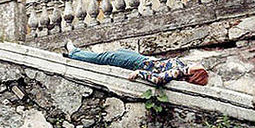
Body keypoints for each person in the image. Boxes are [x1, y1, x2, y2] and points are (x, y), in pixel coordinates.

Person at [63, 40, 208, 86]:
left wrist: (139, 73)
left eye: (198, 66)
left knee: (105, 58)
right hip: (143, 59)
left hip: (139, 64)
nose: (196, 63)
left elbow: (158, 79)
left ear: (195, 73)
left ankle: (74, 53)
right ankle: (77, 54)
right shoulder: (181, 69)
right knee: (117, 52)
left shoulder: (177, 72)